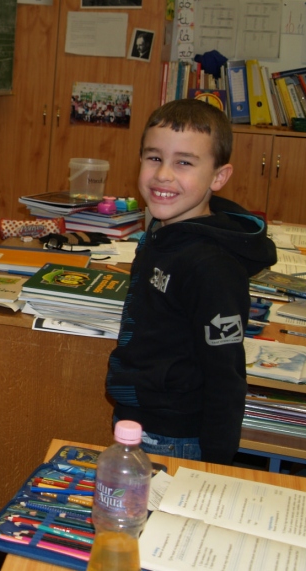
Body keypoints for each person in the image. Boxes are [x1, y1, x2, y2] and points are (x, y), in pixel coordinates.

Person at [105, 99, 277, 464]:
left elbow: (225, 372)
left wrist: (214, 464)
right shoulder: (161, 231)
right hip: (138, 417)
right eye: (154, 157)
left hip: (174, 435)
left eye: (184, 162)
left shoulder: (211, 267)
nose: (163, 175)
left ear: (218, 177)